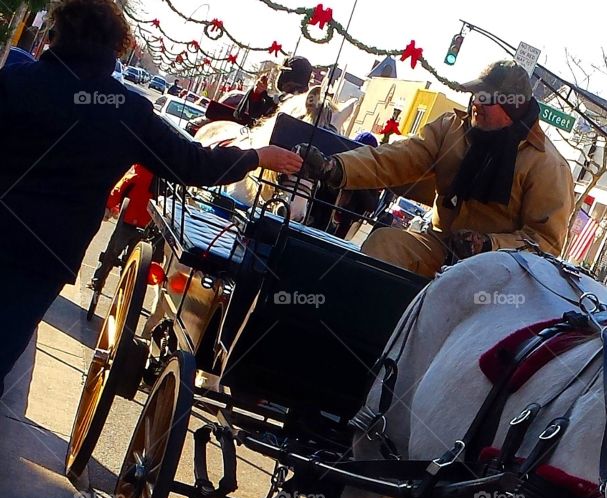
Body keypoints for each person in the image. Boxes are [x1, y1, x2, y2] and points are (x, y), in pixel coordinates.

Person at [0, 0, 302, 398]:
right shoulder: (127, 111)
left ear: (56, 36)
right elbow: (193, 164)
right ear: (115, 48)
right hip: (46, 256)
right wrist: (256, 156)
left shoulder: (14, 83)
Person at [297, 60, 574, 278]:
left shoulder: (547, 165)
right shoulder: (451, 128)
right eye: (475, 94)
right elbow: (396, 158)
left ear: (512, 108)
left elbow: (544, 243)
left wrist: (488, 244)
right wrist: (336, 167)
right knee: (385, 245)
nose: (476, 103)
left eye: (486, 98)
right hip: (437, 245)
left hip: (493, 276)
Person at [90, 164, 155, 288]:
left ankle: (98, 280)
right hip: (146, 223)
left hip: (127, 219)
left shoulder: (138, 172)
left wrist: (109, 205)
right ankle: (126, 287)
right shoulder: (161, 179)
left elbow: (119, 190)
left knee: (112, 253)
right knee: (133, 260)